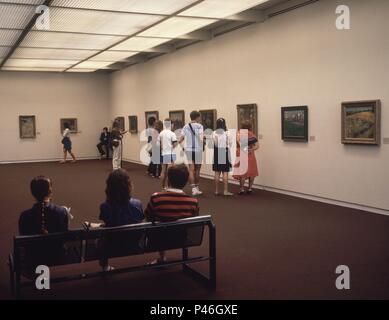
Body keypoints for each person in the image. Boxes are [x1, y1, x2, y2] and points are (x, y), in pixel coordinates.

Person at [145, 164, 199, 264]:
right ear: (186, 181)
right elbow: (193, 222)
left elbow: (148, 216)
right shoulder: (193, 202)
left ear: (168, 179)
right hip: (182, 238)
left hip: (158, 239)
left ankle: (162, 257)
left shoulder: (157, 198)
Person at [97, 169, 145, 271]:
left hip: (111, 246)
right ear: (128, 186)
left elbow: (107, 223)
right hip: (133, 245)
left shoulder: (104, 206)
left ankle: (105, 267)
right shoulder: (137, 204)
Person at [179, 111, 204, 196]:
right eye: (199, 117)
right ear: (197, 117)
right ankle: (197, 188)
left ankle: (193, 189)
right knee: (197, 170)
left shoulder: (186, 126)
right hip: (198, 150)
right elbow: (201, 139)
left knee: (191, 169)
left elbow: (180, 139)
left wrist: (183, 147)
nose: (200, 118)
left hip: (188, 150)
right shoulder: (200, 126)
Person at [233, 121, 259, 195]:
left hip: (242, 154)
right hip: (251, 155)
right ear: (250, 127)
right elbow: (257, 146)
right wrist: (251, 149)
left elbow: (240, 144)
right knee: (251, 172)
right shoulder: (252, 134)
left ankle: (241, 189)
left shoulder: (239, 133)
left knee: (242, 172)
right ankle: (250, 188)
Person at [212, 118, 233, 196]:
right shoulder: (228, 133)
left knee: (217, 172)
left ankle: (216, 190)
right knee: (225, 172)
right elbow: (230, 143)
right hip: (225, 151)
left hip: (217, 151)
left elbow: (215, 143)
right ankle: (225, 191)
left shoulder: (214, 132)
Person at [157, 119, 178, 190]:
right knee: (170, 172)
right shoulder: (172, 134)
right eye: (173, 124)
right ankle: (169, 187)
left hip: (163, 154)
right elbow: (175, 145)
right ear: (170, 124)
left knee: (163, 171)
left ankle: (163, 187)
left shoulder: (161, 133)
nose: (173, 126)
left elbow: (159, 145)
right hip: (170, 154)